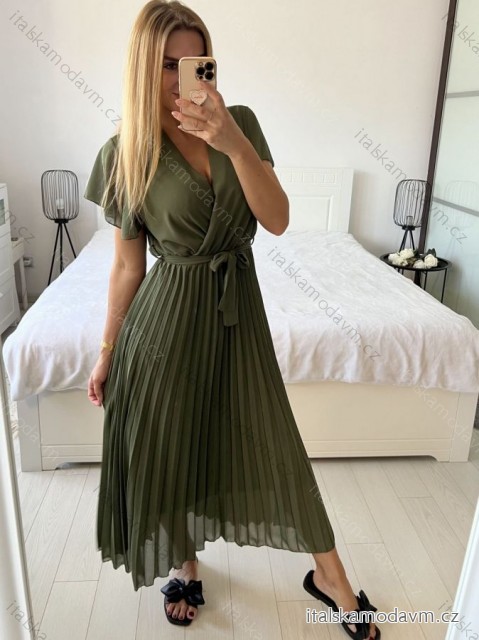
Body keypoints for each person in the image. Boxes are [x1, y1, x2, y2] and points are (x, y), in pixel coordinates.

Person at [84, 2, 380, 638]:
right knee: (175, 445)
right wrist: (107, 349)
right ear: (142, 67)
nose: (182, 77)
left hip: (237, 312)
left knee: (275, 441)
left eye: (196, 61)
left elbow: (277, 219)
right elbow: (128, 269)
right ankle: (185, 562)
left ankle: (329, 576)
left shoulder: (239, 124)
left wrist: (233, 145)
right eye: (167, 64)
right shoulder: (124, 154)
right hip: (165, 324)